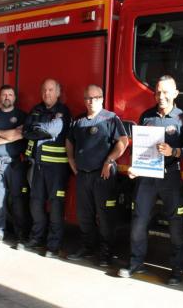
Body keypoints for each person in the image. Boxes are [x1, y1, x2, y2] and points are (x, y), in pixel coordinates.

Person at [117, 75, 183, 286]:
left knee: (175, 223)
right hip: (146, 176)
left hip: (170, 176)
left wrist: (175, 151)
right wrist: (135, 167)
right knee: (139, 220)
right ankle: (136, 263)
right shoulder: (146, 115)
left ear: (175, 94)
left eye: (165, 92)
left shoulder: (182, 119)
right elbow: (139, 148)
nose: (161, 96)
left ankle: (177, 271)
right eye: (158, 92)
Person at [66, 84, 128, 266]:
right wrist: (71, 160)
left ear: (101, 99)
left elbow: (123, 141)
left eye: (94, 98)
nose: (90, 101)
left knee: (105, 215)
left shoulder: (110, 119)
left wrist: (109, 160)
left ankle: (106, 252)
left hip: (104, 176)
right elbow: (69, 141)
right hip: (83, 176)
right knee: (84, 214)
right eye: (87, 98)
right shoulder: (78, 121)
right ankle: (87, 247)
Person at [22, 78, 71, 258]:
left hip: (57, 169)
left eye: (51, 90)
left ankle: (53, 245)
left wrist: (35, 127)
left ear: (58, 93)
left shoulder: (62, 111)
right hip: (37, 167)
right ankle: (36, 239)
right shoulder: (36, 109)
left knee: (56, 207)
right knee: (36, 203)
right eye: (44, 90)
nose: (47, 94)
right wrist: (36, 128)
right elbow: (25, 131)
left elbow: (52, 130)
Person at [0, 85, 29, 247]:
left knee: (18, 200)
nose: (7, 97)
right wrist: (9, 135)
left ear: (14, 97)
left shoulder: (22, 116)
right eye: (4, 94)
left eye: (10, 94)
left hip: (15, 164)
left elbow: (20, 134)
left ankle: (20, 235)